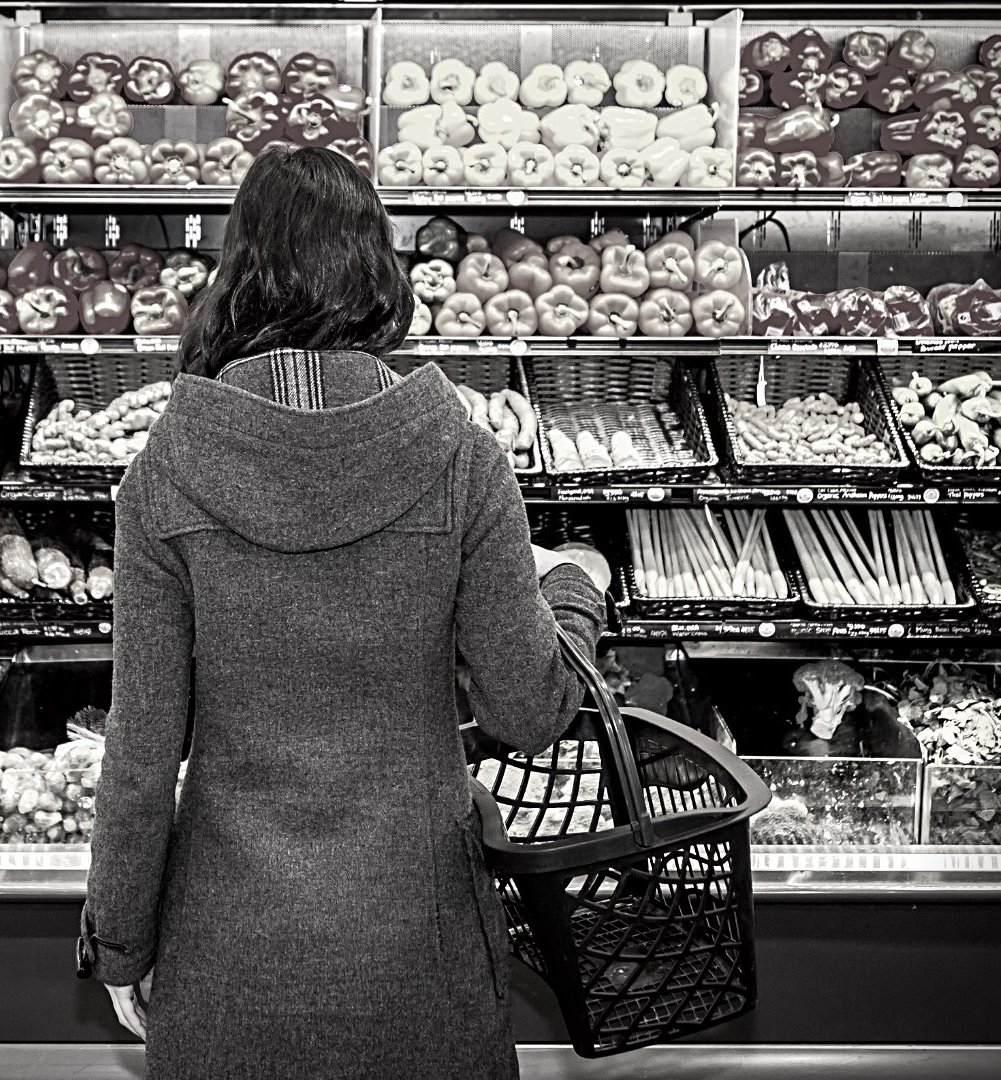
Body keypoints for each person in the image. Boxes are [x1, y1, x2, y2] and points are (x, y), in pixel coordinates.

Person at [79, 145, 609, 1080]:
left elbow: (142, 748)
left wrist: (120, 941)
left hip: (228, 953)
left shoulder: (163, 471)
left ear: (235, 271)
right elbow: (529, 710)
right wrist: (572, 589)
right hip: (420, 948)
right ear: (378, 268)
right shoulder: (460, 458)